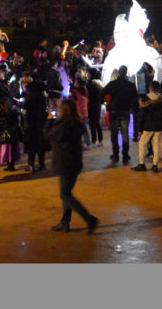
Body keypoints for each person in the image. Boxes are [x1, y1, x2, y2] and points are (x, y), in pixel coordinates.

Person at [45, 98, 99, 234]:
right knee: (67, 193)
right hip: (73, 162)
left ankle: (89, 219)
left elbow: (48, 136)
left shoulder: (63, 126)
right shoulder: (76, 122)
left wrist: (49, 121)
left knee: (65, 195)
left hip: (65, 162)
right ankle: (65, 222)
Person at [100, 65, 139, 163]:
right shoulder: (131, 85)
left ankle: (115, 155)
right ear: (126, 73)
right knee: (125, 135)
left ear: (118, 72)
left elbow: (101, 94)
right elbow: (136, 99)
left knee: (114, 135)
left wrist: (105, 103)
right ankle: (125, 156)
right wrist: (134, 110)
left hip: (114, 112)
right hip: (125, 112)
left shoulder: (112, 84)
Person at [133, 81, 162, 172]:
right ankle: (155, 165)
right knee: (156, 144)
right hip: (159, 126)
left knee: (142, 143)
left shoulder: (145, 99)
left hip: (148, 126)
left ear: (150, 89)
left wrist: (139, 128)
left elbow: (141, 115)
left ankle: (142, 164)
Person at [0, 97, 22, 171]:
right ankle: (11, 165)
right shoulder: (14, 113)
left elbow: (0, 125)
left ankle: (10, 166)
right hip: (14, 134)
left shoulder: (2, 114)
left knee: (7, 151)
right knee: (12, 151)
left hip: (6, 135)